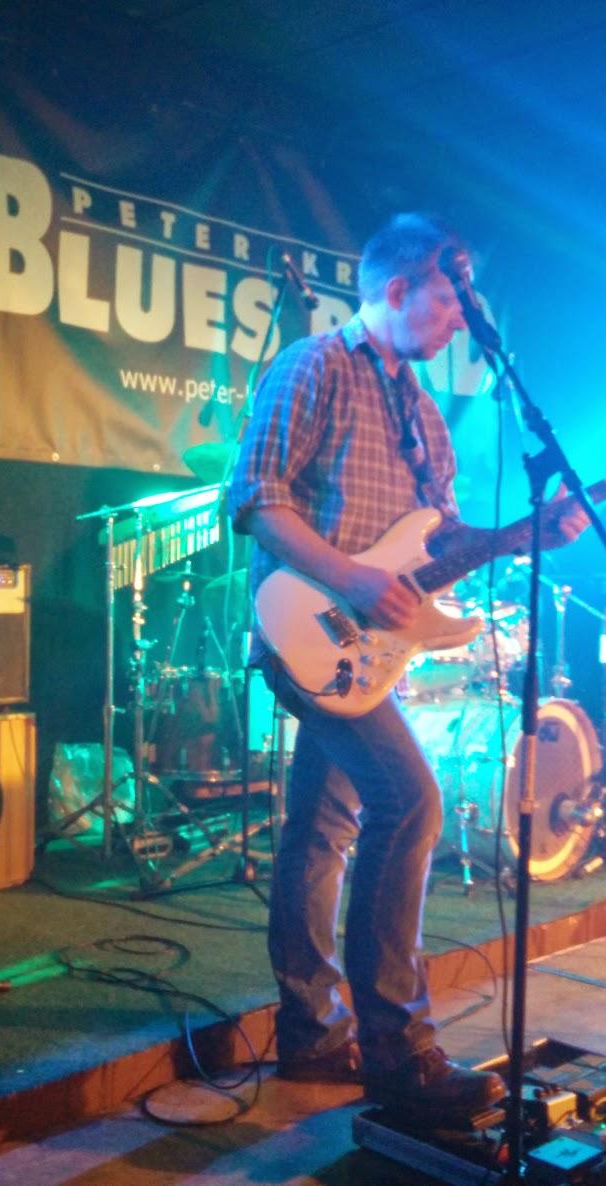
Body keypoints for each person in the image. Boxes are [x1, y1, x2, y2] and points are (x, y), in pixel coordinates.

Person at [226, 212, 589, 1119]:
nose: (461, 321)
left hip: (368, 657)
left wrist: (521, 536)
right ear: (397, 288)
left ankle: (312, 1038)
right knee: (412, 803)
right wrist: (350, 576)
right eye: (449, 298)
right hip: (305, 627)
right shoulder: (313, 365)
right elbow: (258, 499)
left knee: (322, 831)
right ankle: (399, 1049)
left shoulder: (426, 411)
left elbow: (443, 543)